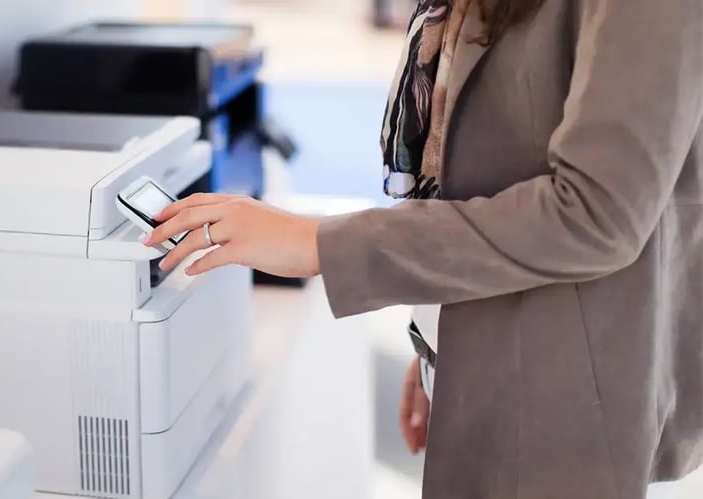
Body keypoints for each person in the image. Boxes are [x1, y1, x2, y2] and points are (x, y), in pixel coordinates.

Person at [144, 0, 703, 497]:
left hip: (564, 402)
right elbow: (480, 160)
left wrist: (319, 242)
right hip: (488, 352)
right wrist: (438, 332)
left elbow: (595, 213)